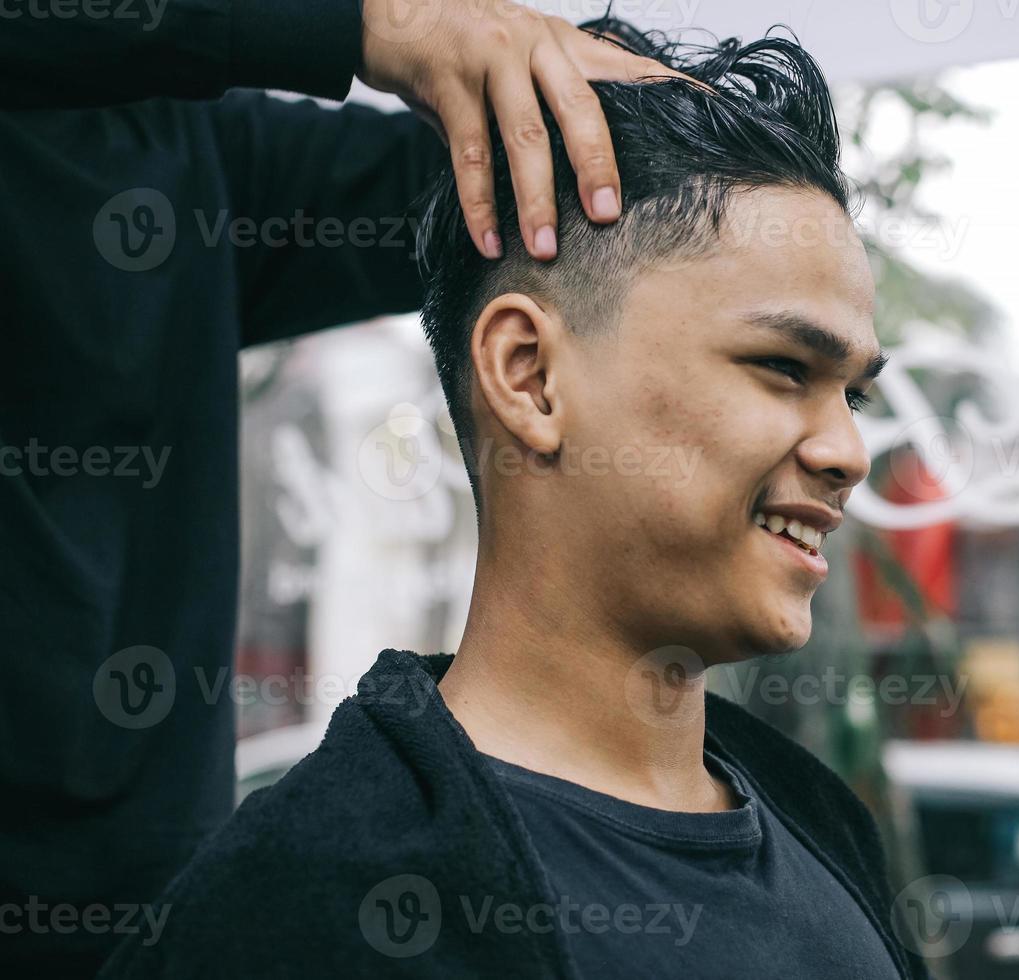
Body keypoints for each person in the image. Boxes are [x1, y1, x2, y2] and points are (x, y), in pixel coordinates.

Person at [96, 20, 931, 979]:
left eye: (854, 394)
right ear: (529, 376)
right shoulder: (308, 913)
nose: (849, 452)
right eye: (784, 367)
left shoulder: (828, 835)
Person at [0, 2, 687, 974]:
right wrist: (363, 25)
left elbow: (503, 179)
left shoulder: (195, 149)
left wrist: (616, 101)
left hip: (151, 907)